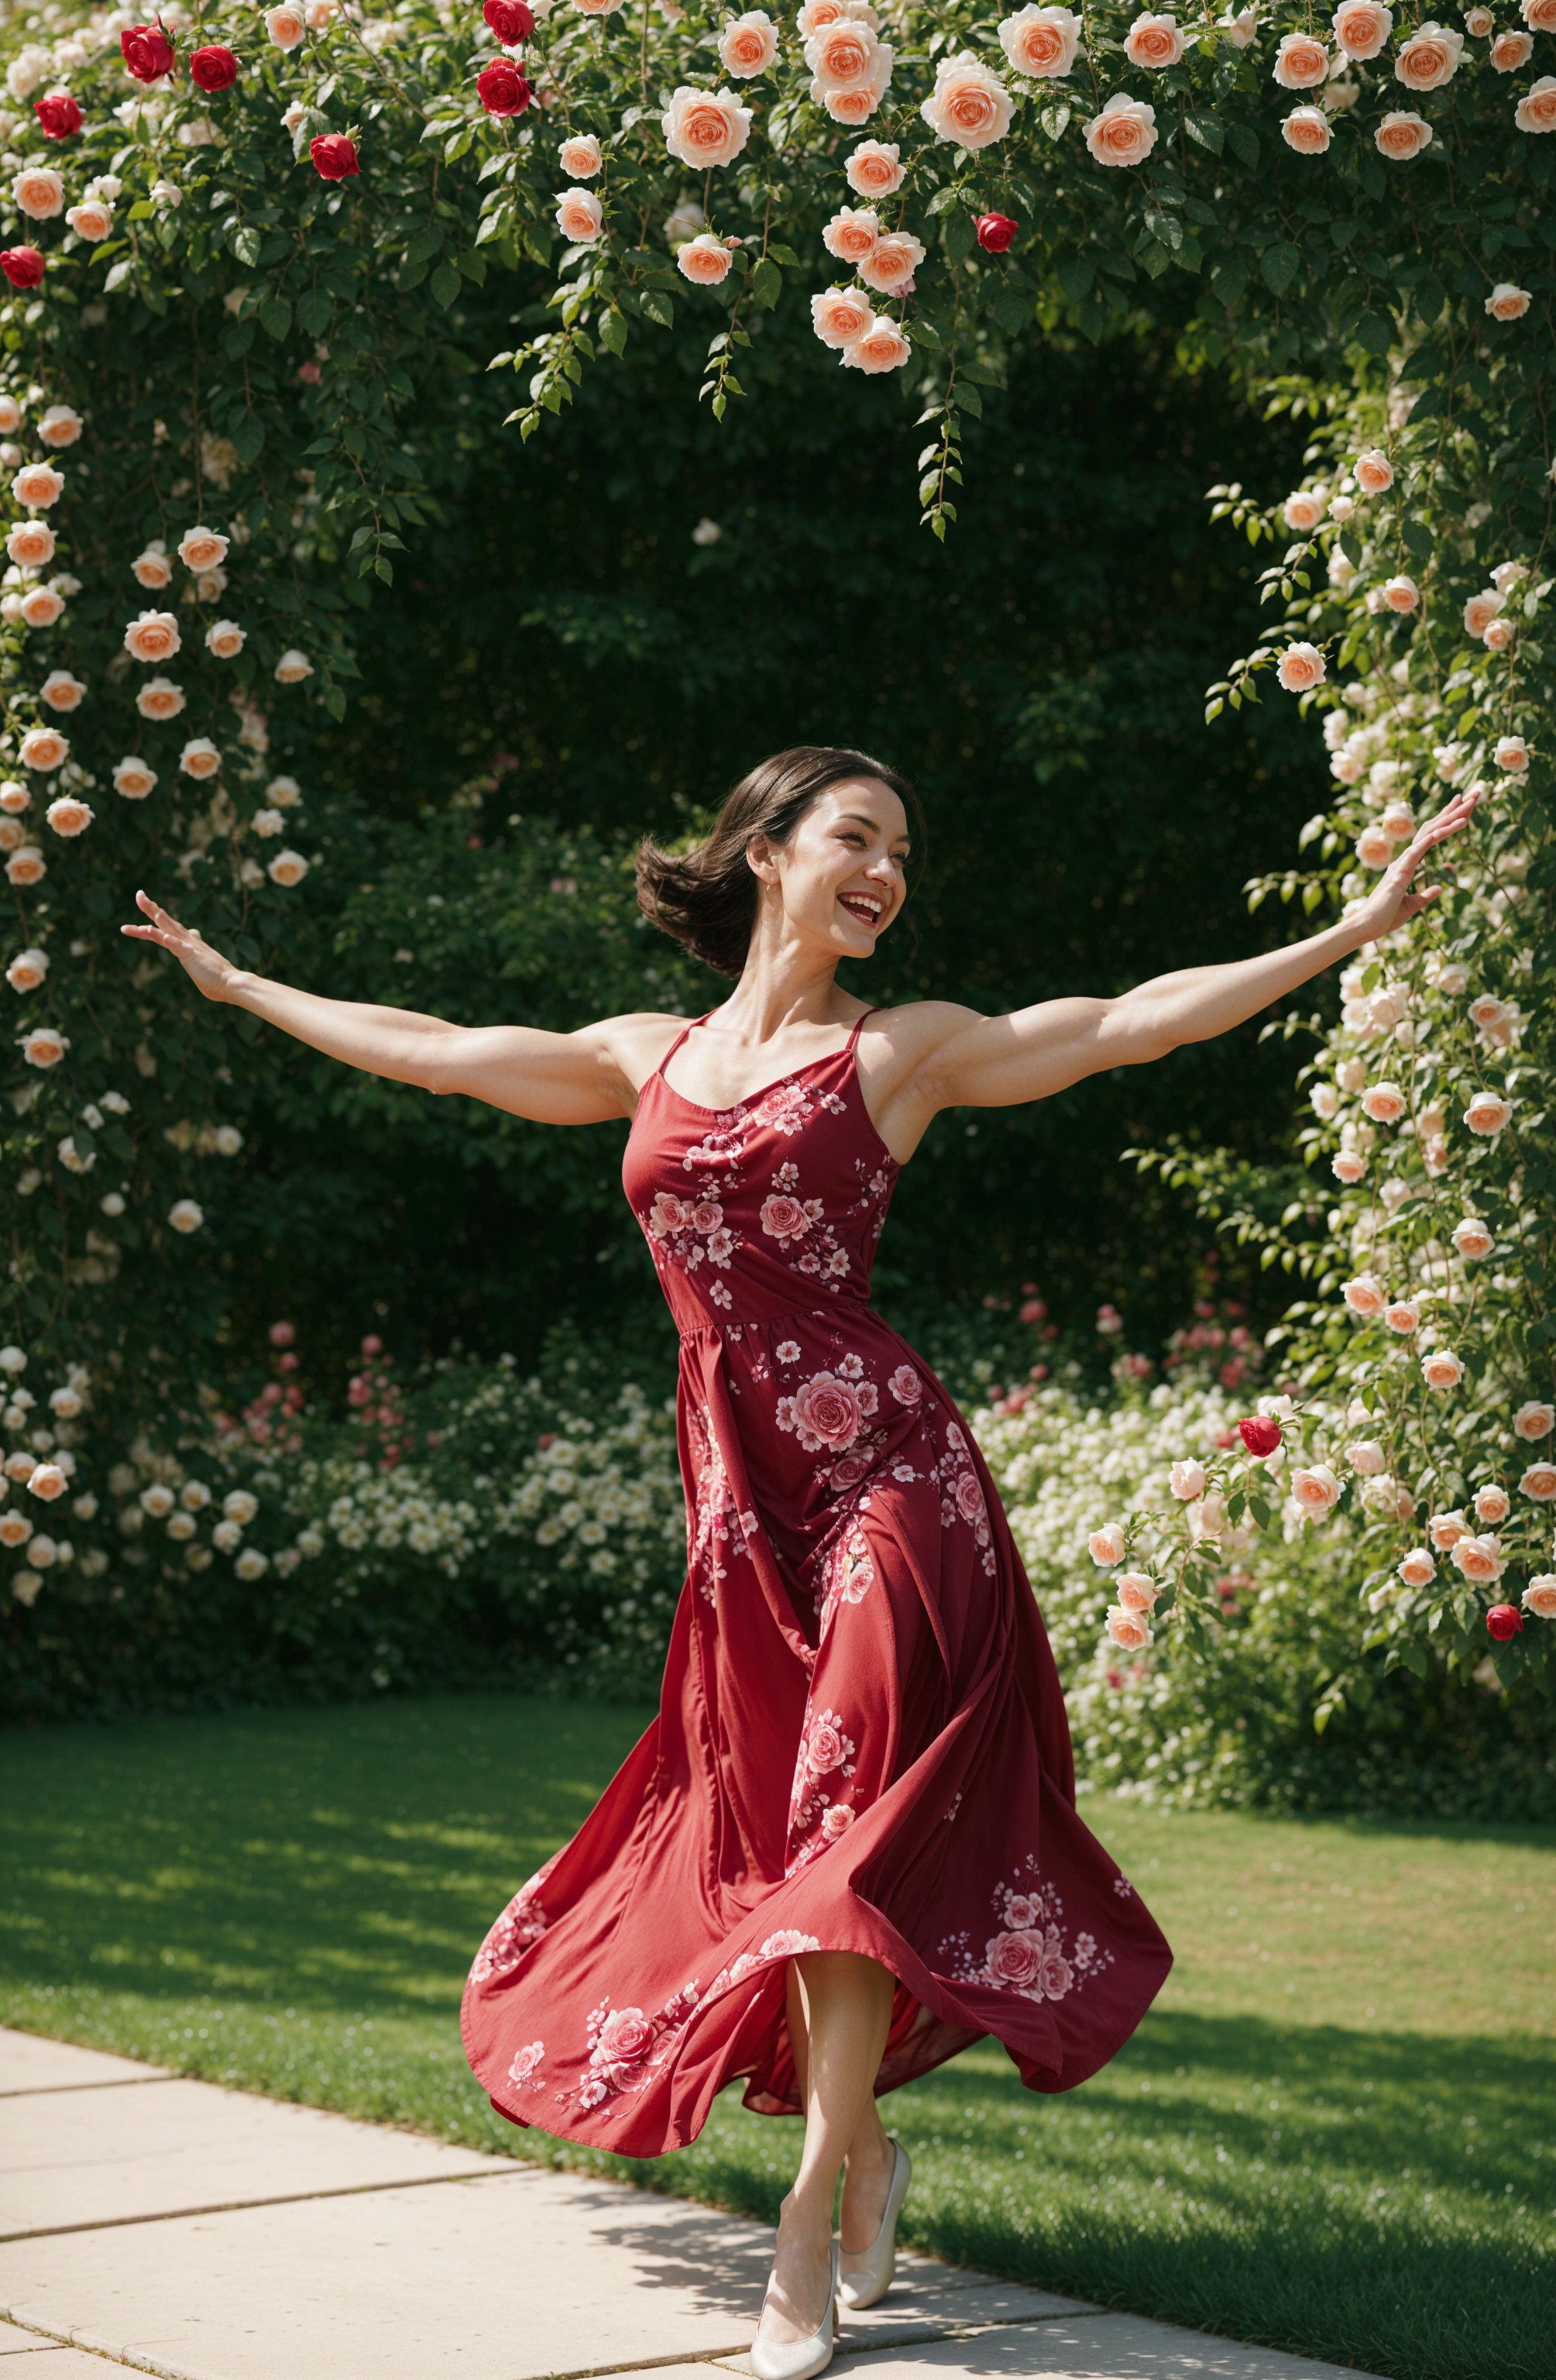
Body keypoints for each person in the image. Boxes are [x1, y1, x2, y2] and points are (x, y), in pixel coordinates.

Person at [124, 745, 1479, 2380]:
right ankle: (867, 2156)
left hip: (895, 1489)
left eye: (904, 847)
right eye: (856, 835)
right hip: (744, 1520)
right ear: (766, 851)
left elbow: (1136, 1018)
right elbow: (433, 1053)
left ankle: (814, 2199)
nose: (888, 870)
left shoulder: (898, 1055)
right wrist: (239, 981)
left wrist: (1351, 929)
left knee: (843, 1827)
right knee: (787, 1846)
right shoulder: (648, 1056)